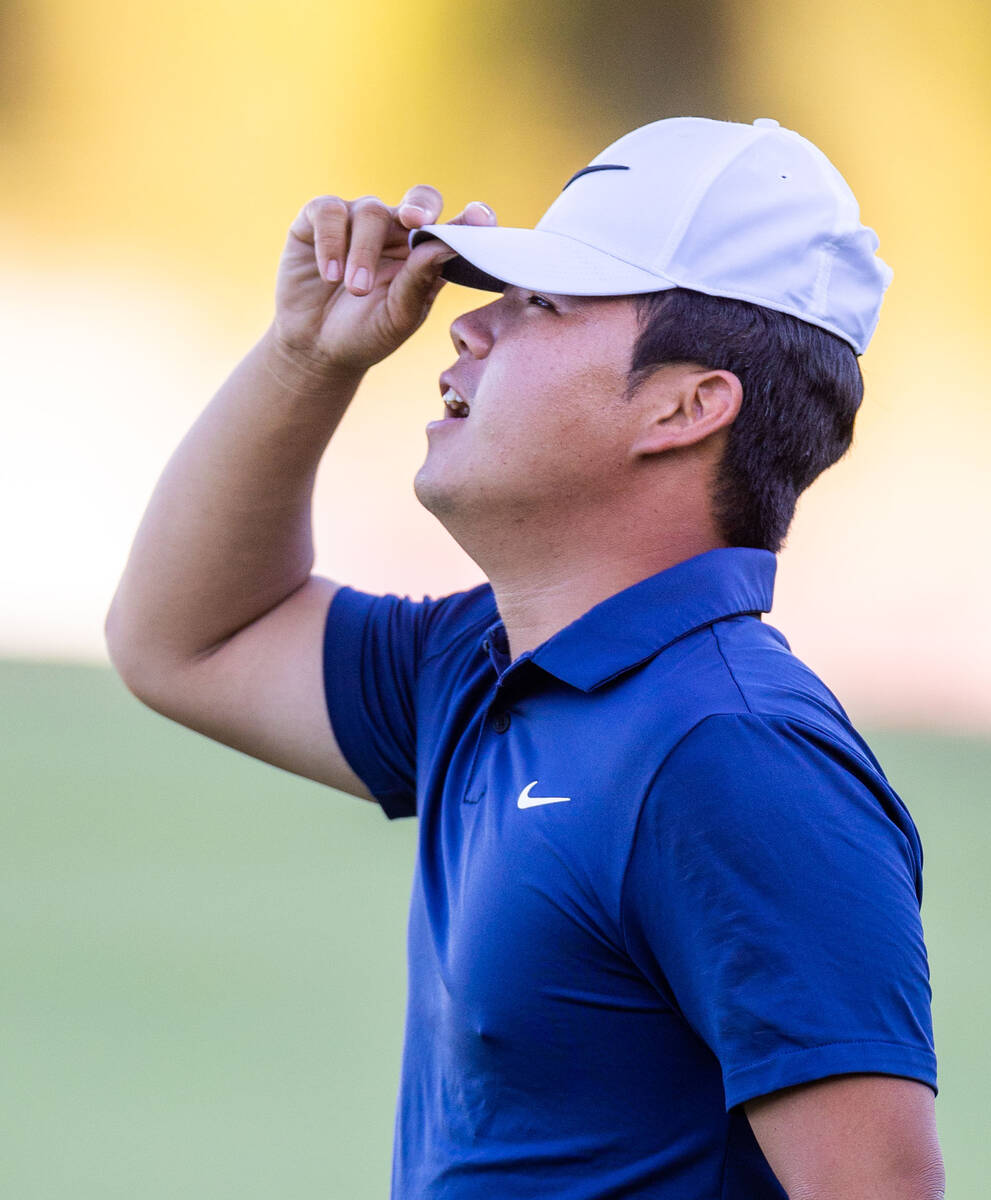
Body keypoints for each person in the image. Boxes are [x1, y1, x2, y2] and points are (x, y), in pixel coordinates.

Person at [105, 116, 945, 1198]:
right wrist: (305, 356)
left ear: (686, 406)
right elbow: (185, 637)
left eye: (542, 302)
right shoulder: (485, 660)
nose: (467, 330)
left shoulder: (737, 757)